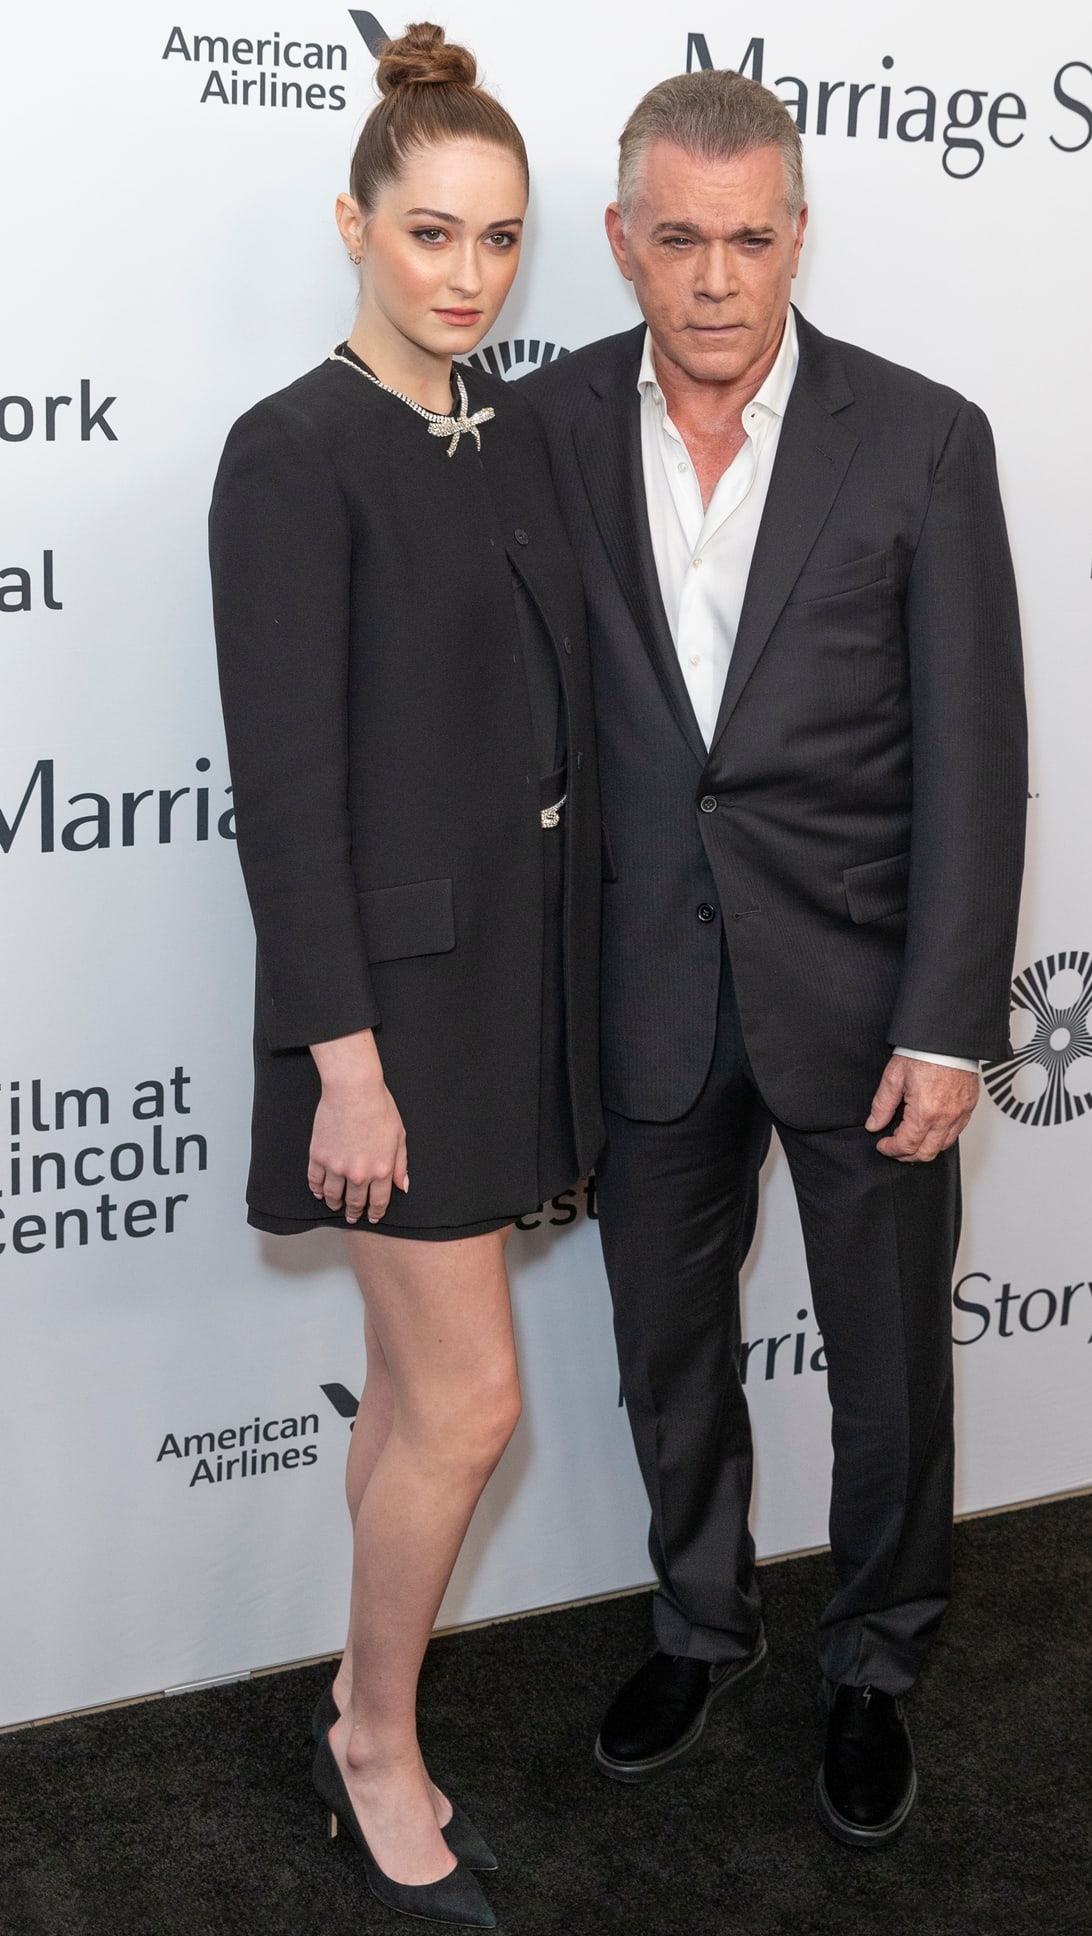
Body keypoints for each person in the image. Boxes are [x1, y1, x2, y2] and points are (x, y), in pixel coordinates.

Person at [524, 68, 1026, 1847]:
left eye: (750, 238)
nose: (718, 278)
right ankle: (698, 1617)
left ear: (796, 236)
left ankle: (877, 1658)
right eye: (680, 239)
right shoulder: (543, 434)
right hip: (641, 994)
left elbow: (976, 747)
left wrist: (955, 1019)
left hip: (866, 994)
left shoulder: (921, 437)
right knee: (669, 1345)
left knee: (891, 1355)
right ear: (620, 245)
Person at [209, 23, 602, 1925]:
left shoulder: (505, 425)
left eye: (502, 240)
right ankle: (377, 1739)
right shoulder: (288, 456)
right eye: (430, 232)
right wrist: (339, 1062)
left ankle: (361, 1708)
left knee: (408, 1388)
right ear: (351, 221)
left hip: (506, 996)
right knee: (470, 1405)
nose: (466, 275)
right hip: (387, 1017)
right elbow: (285, 800)